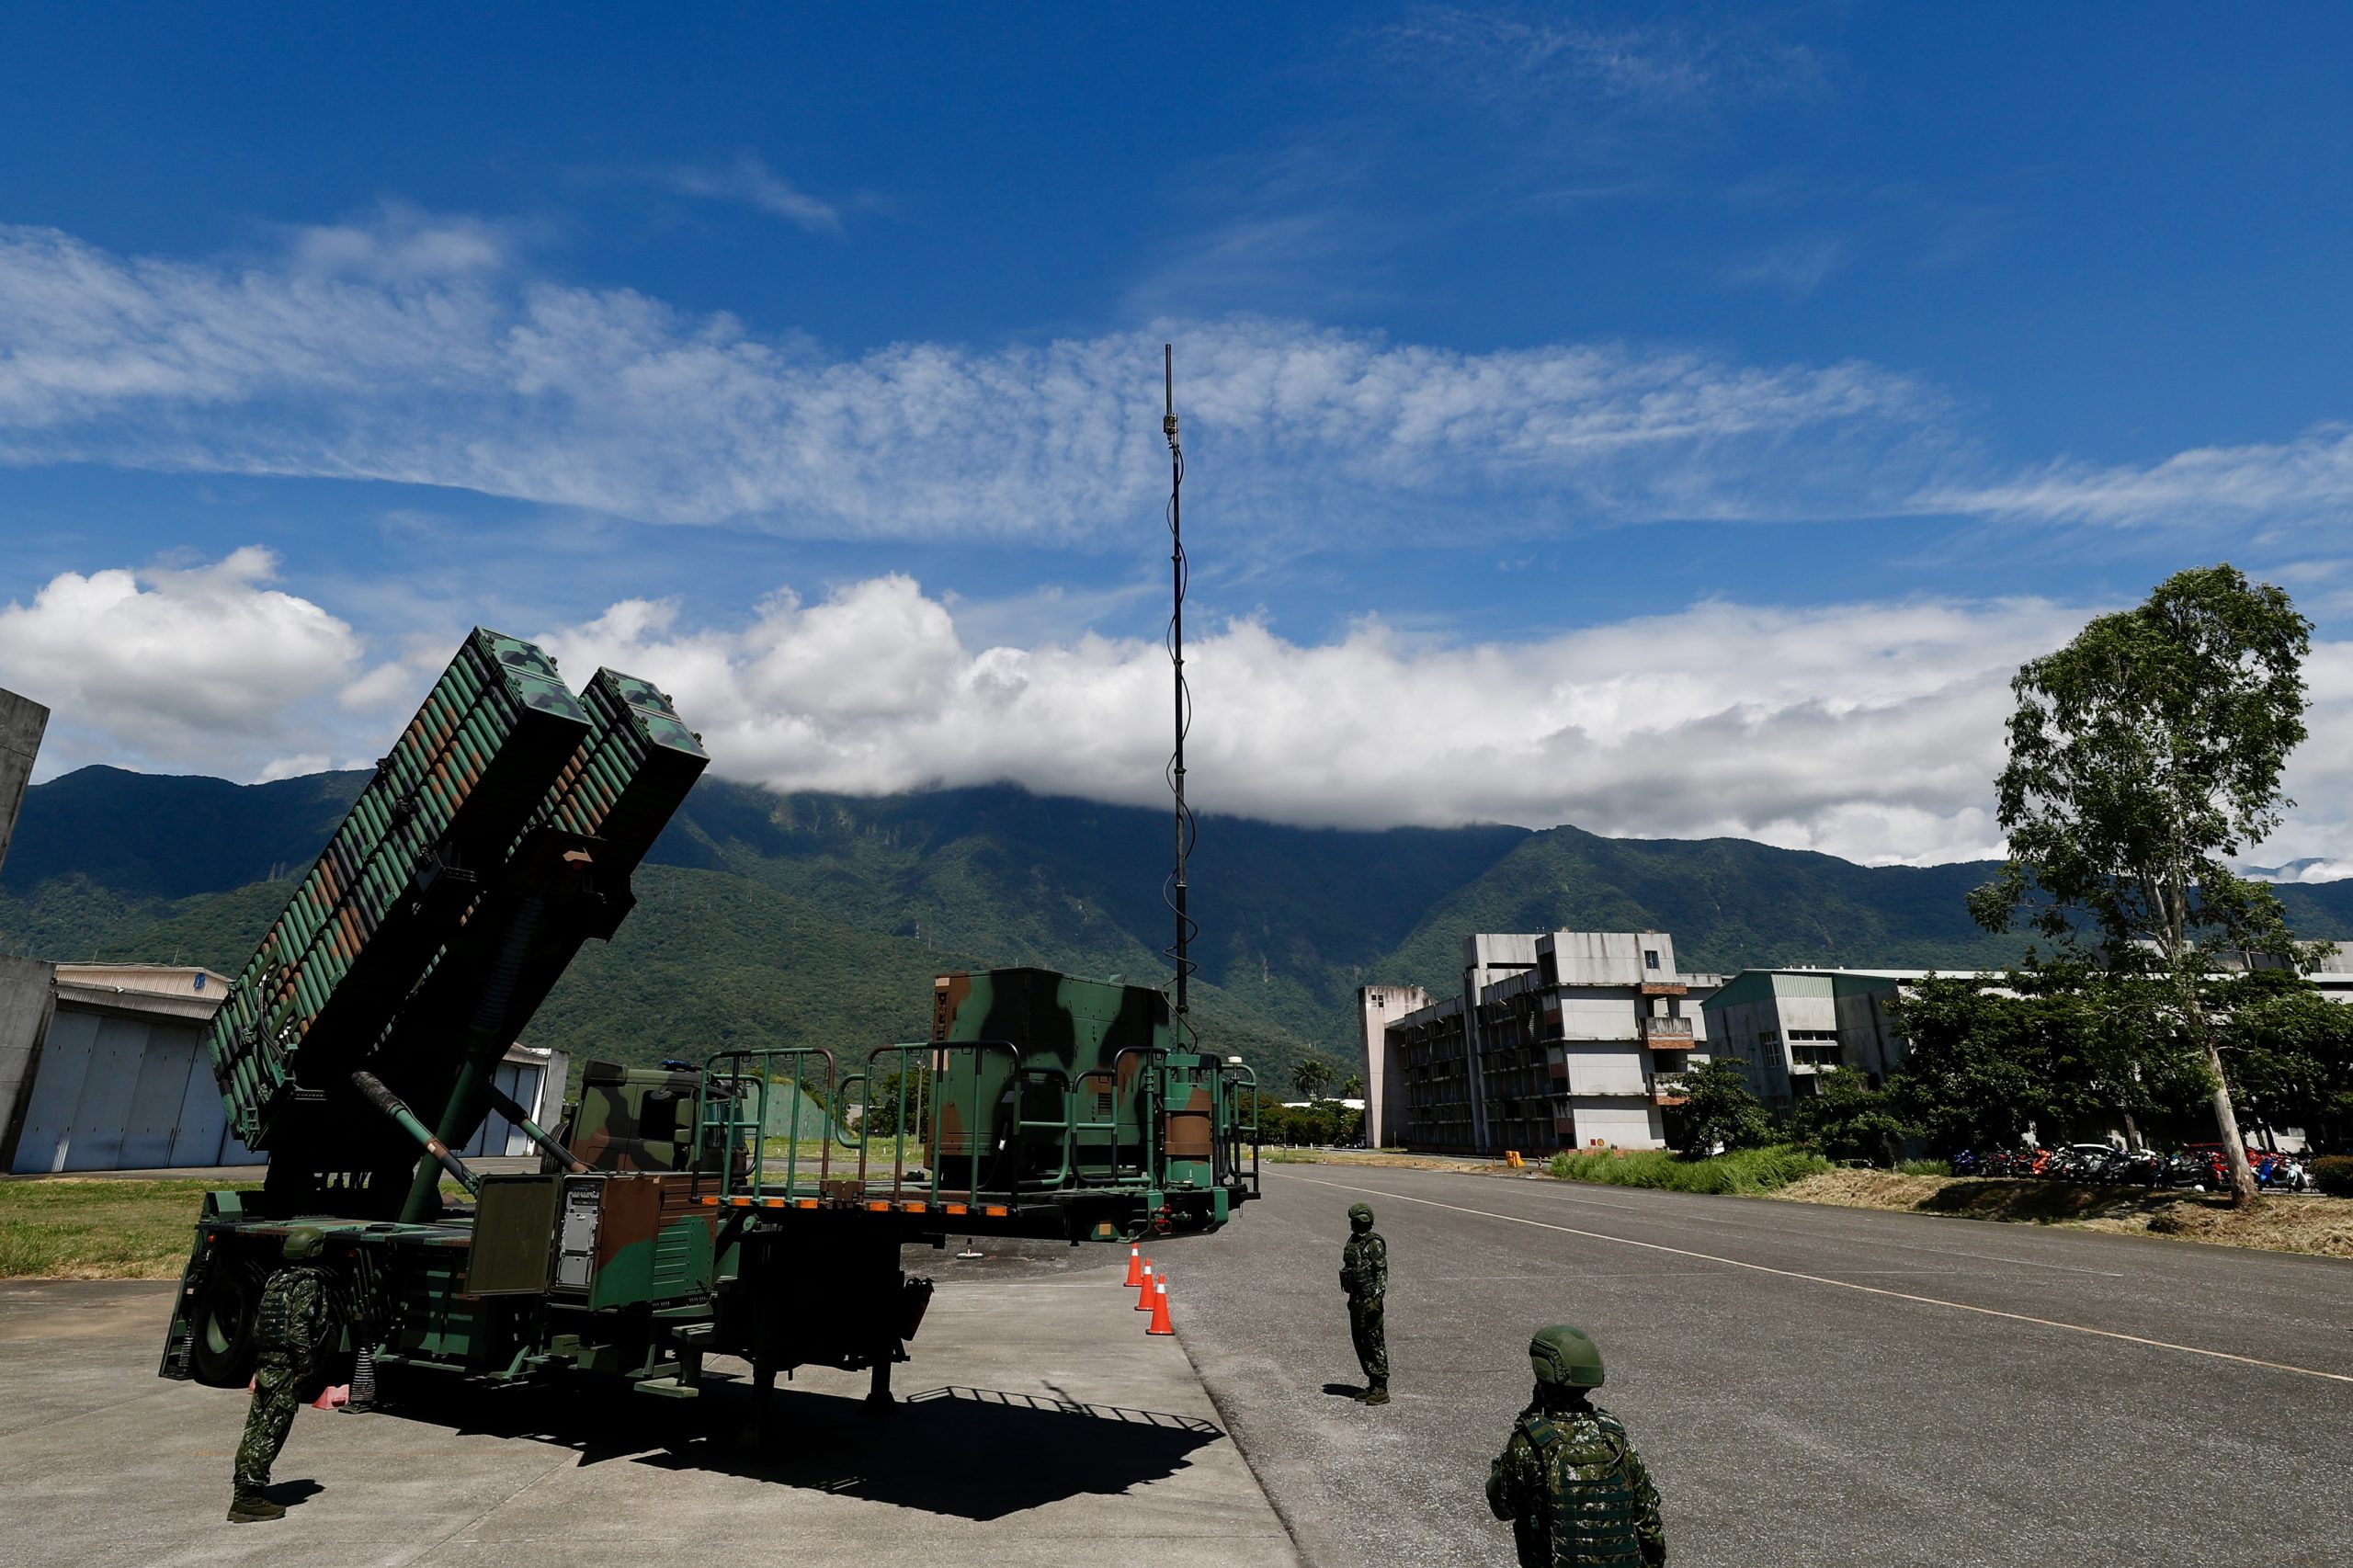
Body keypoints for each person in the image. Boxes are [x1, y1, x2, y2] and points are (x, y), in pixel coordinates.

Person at [1486, 1324, 1665, 1567]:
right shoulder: (1615, 1439)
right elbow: (1648, 1522)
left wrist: (1526, 1420)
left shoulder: (1529, 1444)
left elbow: (1502, 1506)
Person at [228, 1226, 337, 1524]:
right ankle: (249, 1498)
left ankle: (244, 1492)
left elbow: (260, 1323)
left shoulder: (276, 1279)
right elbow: (299, 1328)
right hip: (286, 1366)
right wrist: (305, 1367)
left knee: (255, 1428)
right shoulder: (308, 1283)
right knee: (271, 1431)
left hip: (267, 1362)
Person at [1338, 1201, 1388, 1404]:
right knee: (1360, 1342)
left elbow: (1381, 1273)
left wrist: (1377, 1299)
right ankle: (1372, 1383)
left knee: (1374, 1343)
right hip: (1356, 1299)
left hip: (1369, 1300)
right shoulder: (1354, 1241)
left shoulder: (1374, 1243)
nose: (1355, 1225)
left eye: (1358, 1221)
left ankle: (1381, 1387)